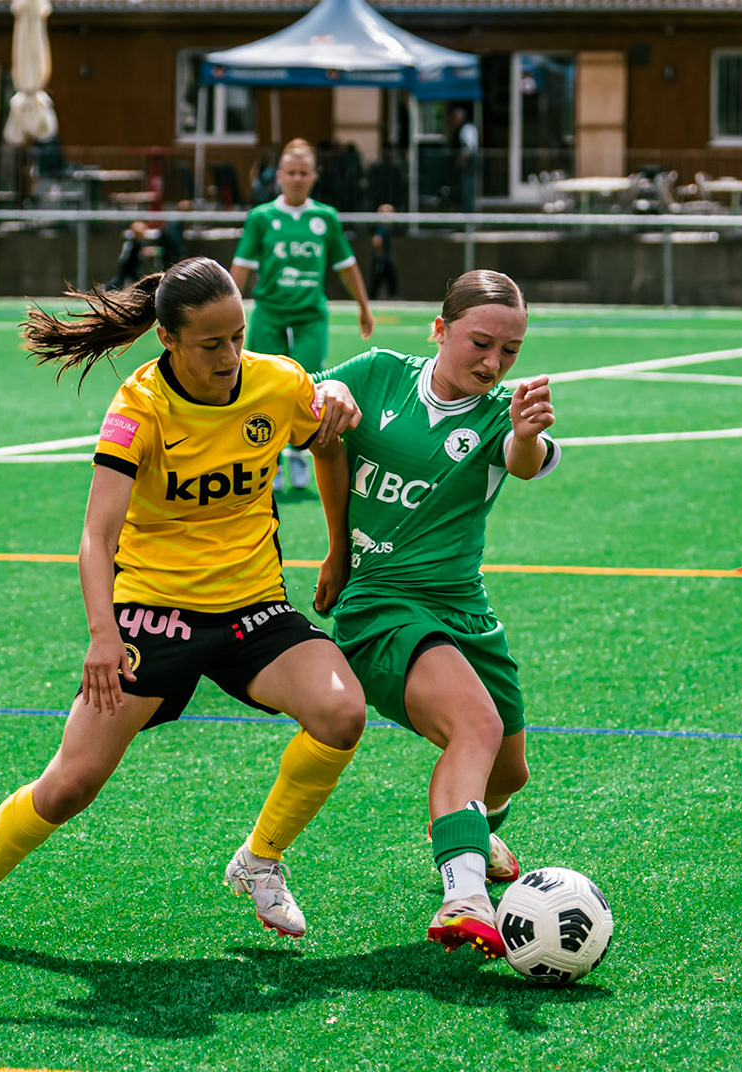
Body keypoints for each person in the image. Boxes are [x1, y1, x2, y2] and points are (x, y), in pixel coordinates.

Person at [0, 257, 368, 949]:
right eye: (210, 343)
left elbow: (330, 443)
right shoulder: (140, 405)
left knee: (341, 712)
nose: (229, 356)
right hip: (153, 614)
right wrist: (103, 633)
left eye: (237, 337)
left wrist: (338, 548)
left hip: (252, 608)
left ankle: (260, 861)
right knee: (72, 784)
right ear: (169, 339)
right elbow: (96, 536)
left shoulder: (279, 382)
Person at [315, 270, 562, 958]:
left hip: (463, 608)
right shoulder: (378, 375)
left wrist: (526, 431)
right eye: (480, 343)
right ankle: (464, 895)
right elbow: (305, 404)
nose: (492, 363)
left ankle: (467, 820)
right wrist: (324, 390)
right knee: (475, 726)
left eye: (509, 352)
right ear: (440, 329)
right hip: (381, 605)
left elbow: (524, 459)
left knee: (508, 772)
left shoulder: (501, 413)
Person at [232, 138, 377, 491]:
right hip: (270, 313)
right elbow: (241, 267)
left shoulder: (325, 217)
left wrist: (363, 306)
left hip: (311, 314)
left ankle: (300, 451)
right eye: (291, 172)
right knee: (265, 385)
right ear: (279, 176)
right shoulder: (262, 217)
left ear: (314, 176)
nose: (297, 179)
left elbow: (346, 266)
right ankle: (272, 459)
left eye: (304, 173)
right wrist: (230, 314)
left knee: (309, 383)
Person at [452, 107, 481, 214]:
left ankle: (469, 222)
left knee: (468, 193)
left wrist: (461, 159)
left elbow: (470, 147)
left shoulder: (467, 129)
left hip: (469, 167)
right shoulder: (464, 128)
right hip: (466, 167)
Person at [369, 203, 399, 300]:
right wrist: (380, 254)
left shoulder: (385, 227)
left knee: (390, 277)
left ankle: (390, 296)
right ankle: (373, 297)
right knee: (379, 277)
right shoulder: (382, 227)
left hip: (384, 258)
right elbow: (376, 241)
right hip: (382, 258)